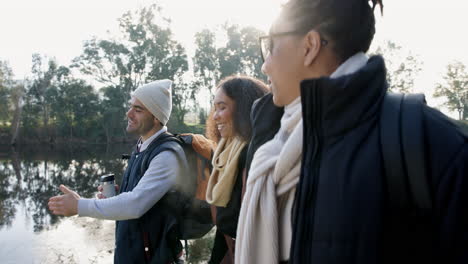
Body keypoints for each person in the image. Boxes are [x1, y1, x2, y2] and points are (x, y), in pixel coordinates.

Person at [236, 0, 468, 263]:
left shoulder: (433, 146)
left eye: (271, 47)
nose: (264, 65)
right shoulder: (273, 141)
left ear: (309, 47)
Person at [48, 79, 188, 264]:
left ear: (156, 117)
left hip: (156, 258)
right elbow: (143, 199)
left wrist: (79, 206)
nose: (129, 113)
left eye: (138, 110)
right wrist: (117, 197)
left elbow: (135, 205)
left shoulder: (166, 155)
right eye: (131, 107)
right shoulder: (143, 146)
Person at [205, 76, 268, 264]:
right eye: (215, 108)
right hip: (225, 244)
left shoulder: (252, 152)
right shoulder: (224, 150)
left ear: (243, 108)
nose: (215, 116)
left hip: (246, 251)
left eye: (222, 107)